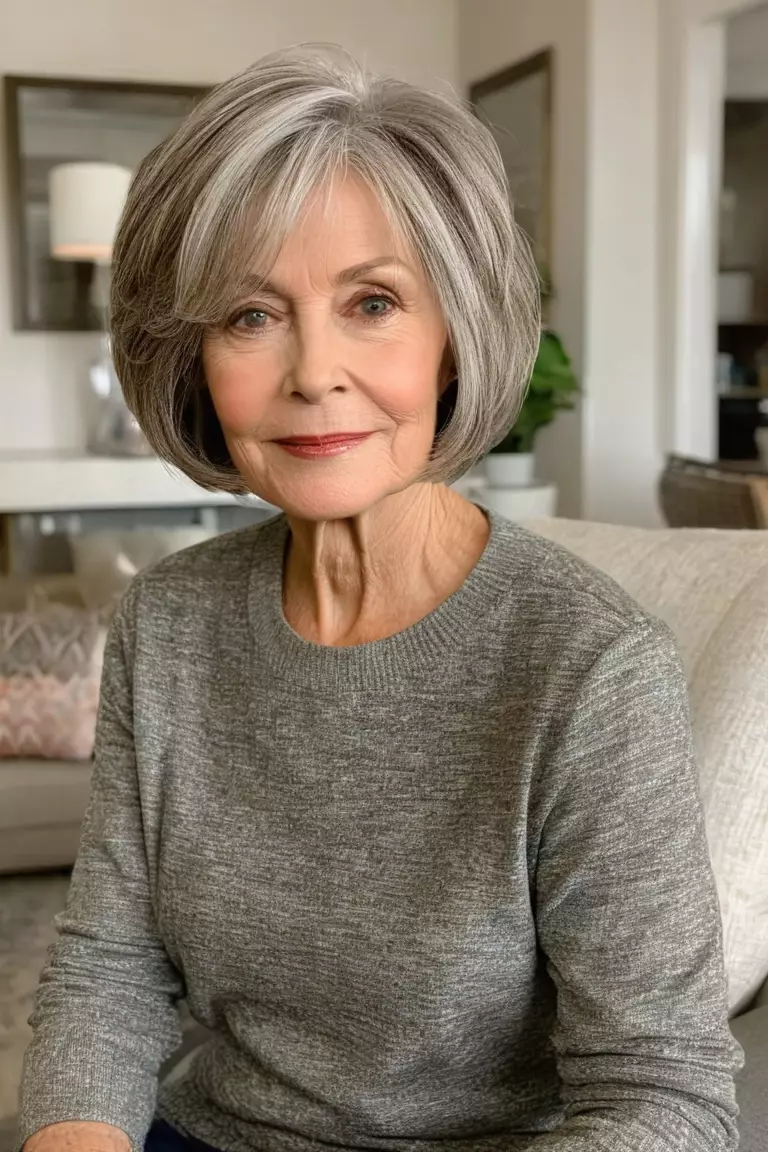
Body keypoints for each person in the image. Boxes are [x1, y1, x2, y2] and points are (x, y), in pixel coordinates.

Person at [19, 45, 742, 1152]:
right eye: (251, 315)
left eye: (372, 302)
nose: (313, 371)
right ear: (194, 359)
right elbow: (110, 966)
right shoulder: (168, 623)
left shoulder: (589, 667)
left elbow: (664, 1095)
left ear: (453, 338)